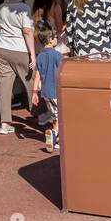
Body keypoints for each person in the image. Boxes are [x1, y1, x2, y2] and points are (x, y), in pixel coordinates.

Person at [0, 0, 38, 135]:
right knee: (31, 80)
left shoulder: (1, 8)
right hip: (19, 49)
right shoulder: (24, 9)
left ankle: (5, 123)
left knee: (4, 87)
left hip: (1, 48)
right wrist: (32, 54)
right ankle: (40, 113)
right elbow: (27, 31)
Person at [32, 20, 65, 152]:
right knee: (62, 117)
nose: (57, 39)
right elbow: (63, 73)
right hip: (57, 92)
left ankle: (57, 140)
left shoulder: (40, 57)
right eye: (56, 37)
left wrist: (34, 92)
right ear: (50, 39)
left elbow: (37, 76)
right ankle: (54, 134)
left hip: (45, 93)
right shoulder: (58, 56)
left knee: (55, 116)